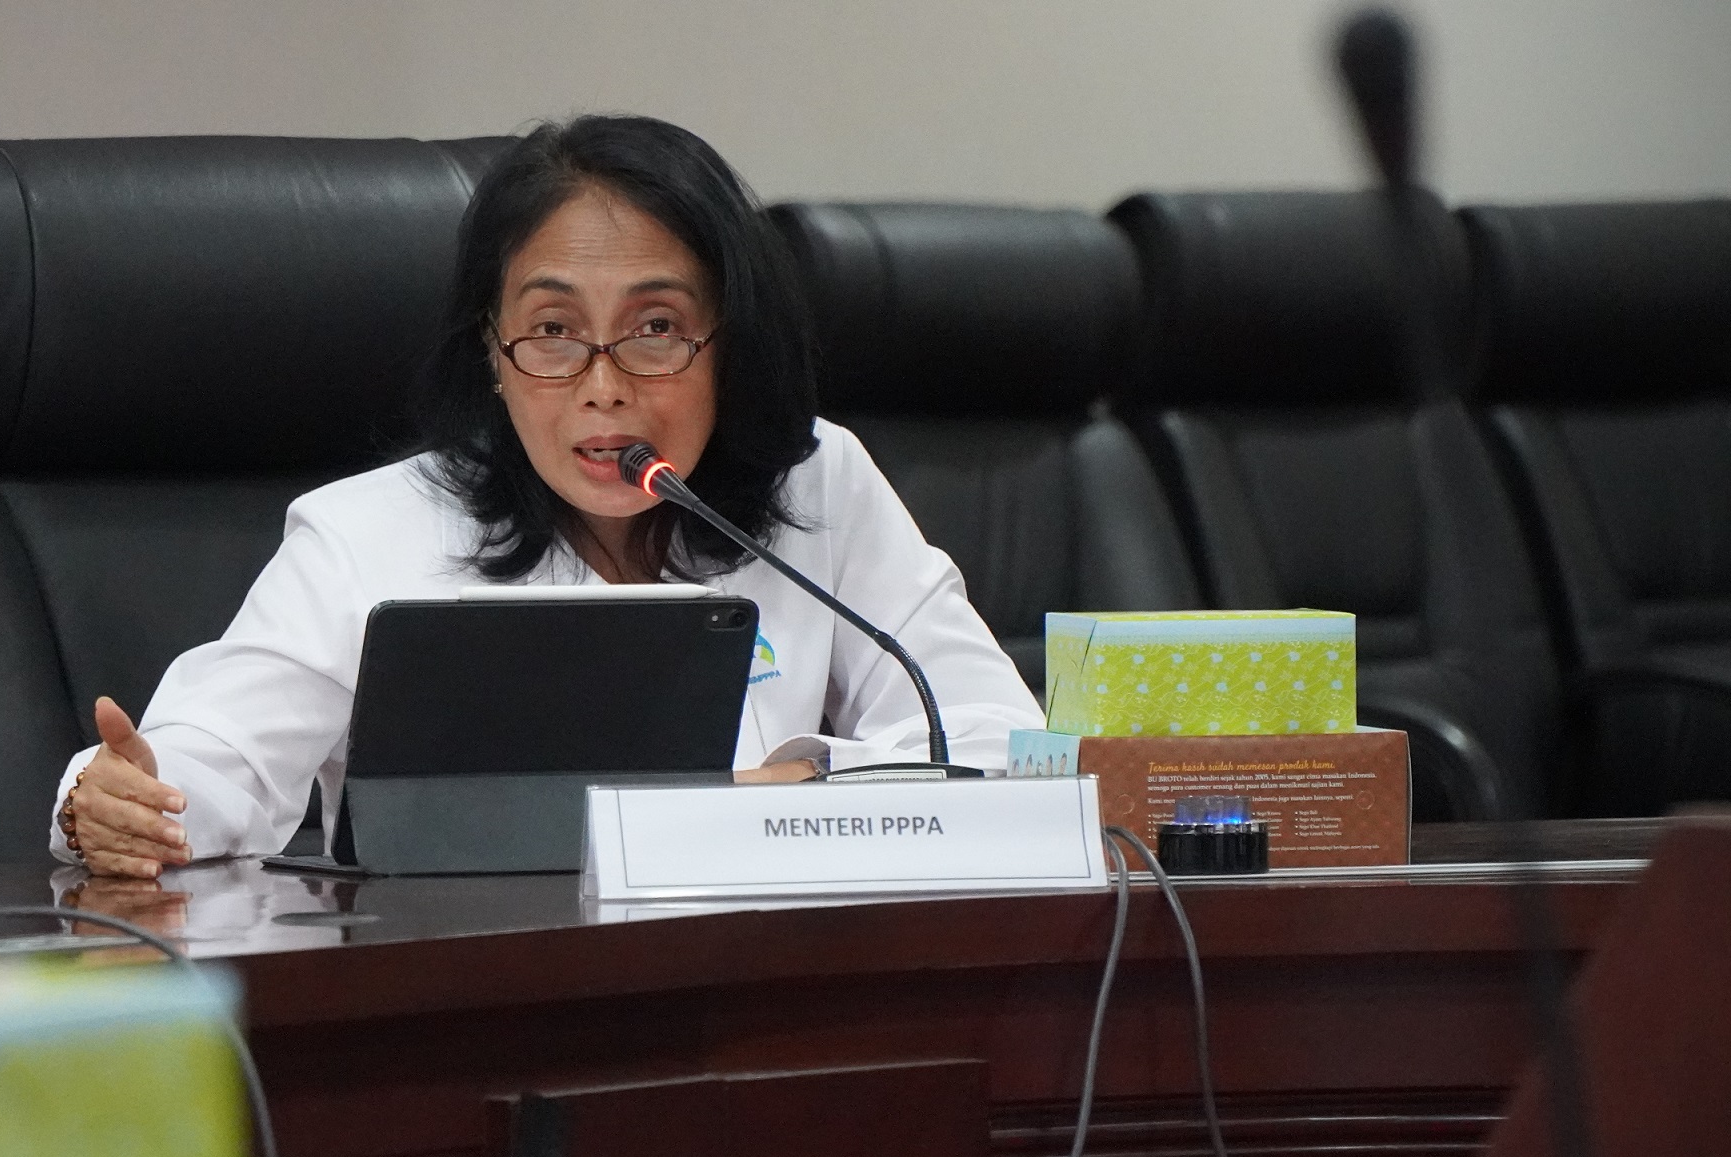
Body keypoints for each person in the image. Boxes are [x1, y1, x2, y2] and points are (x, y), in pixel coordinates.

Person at [52, 115, 1042, 878]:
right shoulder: (370, 532)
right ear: (493, 352)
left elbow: (997, 742)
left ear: (729, 345)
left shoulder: (814, 485)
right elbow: (215, 757)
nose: (603, 385)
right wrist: (120, 799)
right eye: (554, 331)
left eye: (656, 327)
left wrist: (794, 781)